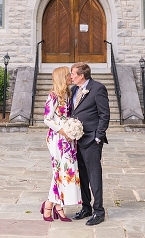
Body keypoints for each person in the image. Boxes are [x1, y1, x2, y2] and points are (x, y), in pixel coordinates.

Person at [69, 62, 110, 226]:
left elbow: (104, 115)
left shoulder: (98, 88)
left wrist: (98, 137)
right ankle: (86, 207)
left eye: (73, 74)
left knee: (94, 175)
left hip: (92, 140)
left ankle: (99, 211)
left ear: (81, 75)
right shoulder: (74, 90)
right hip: (76, 140)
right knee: (82, 176)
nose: (71, 76)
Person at [42, 66, 81, 222]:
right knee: (59, 172)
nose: (71, 77)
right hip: (57, 138)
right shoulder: (53, 96)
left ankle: (55, 206)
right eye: (67, 75)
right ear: (61, 77)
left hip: (68, 139)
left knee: (66, 172)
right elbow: (47, 118)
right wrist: (62, 130)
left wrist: (72, 130)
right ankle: (51, 207)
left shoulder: (68, 94)